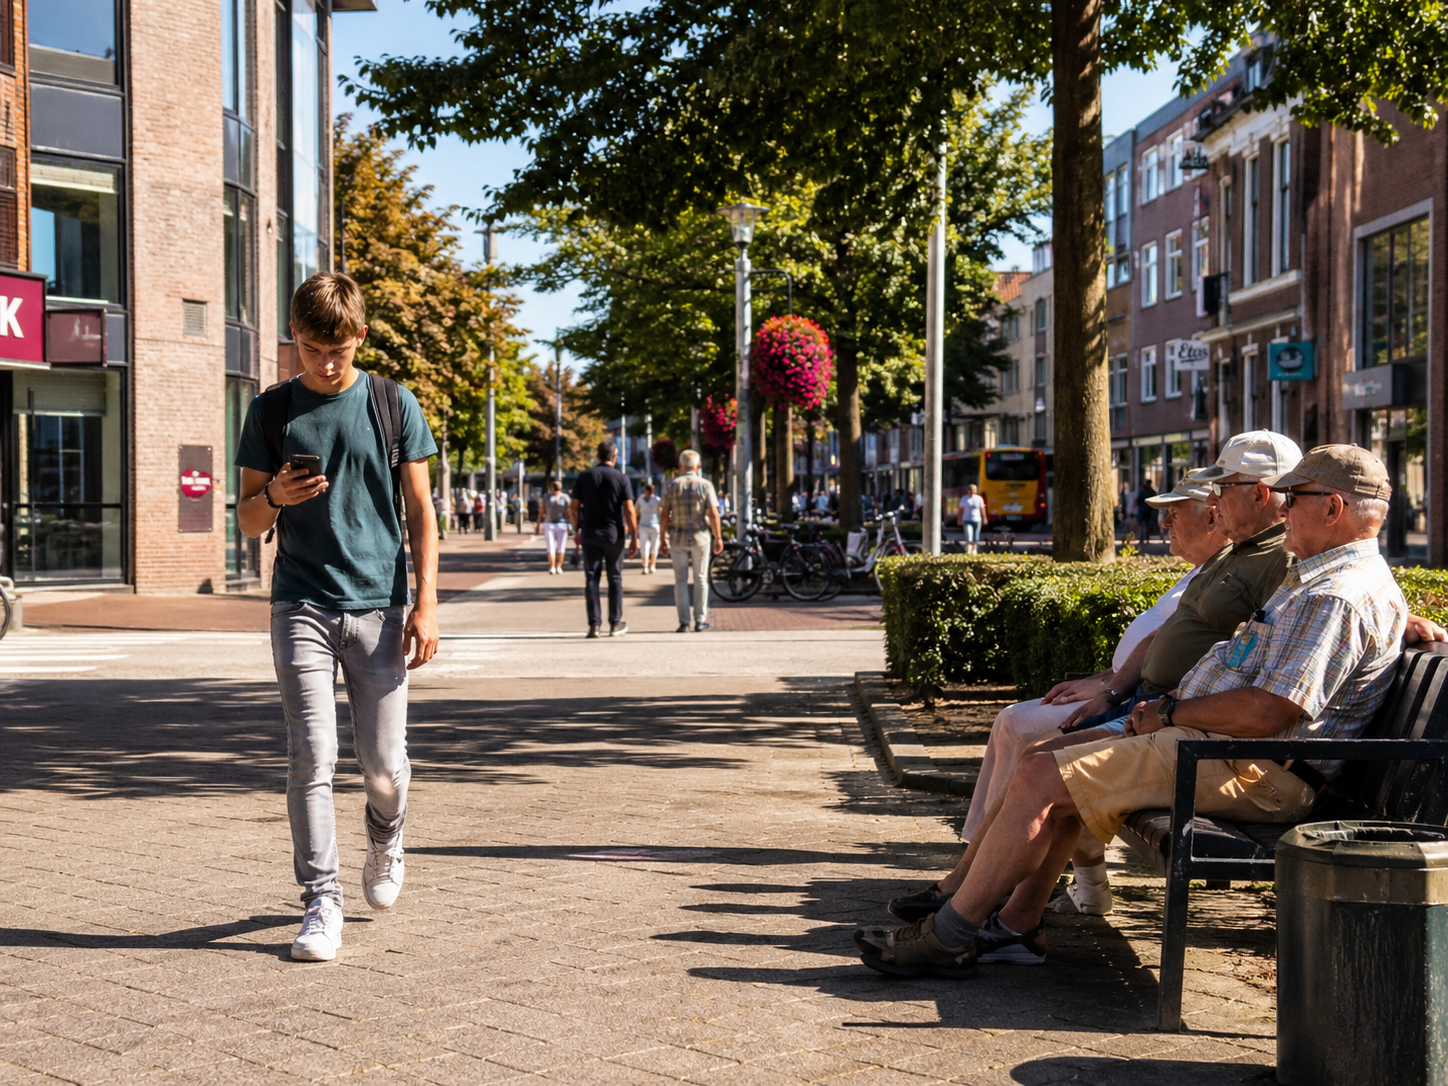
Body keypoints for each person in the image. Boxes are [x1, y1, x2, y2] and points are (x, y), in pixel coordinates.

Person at [854, 444, 1410, 978]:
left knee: (1045, 774)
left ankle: (946, 937)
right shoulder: (1322, 579)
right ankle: (1015, 924)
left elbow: (1267, 713)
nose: (1285, 509)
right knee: (1044, 759)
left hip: (1255, 769)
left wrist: (1168, 711)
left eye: (1295, 498)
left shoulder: (1335, 593)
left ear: (1333, 508)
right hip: (1227, 751)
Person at [235, 272, 439, 962]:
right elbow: (246, 519)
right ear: (293, 337)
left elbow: (420, 510)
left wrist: (427, 601)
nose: (325, 365)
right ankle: (322, 902)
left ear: (360, 337)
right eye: (312, 349)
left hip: (380, 607)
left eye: (339, 351)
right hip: (301, 603)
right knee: (312, 755)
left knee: (384, 767)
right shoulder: (269, 413)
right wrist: (277, 494)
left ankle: (386, 836)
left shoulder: (391, 402)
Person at [571, 440, 638, 637]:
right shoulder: (621, 477)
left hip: (590, 534)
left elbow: (573, 508)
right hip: (613, 535)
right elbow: (629, 509)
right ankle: (615, 623)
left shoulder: (584, 476)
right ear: (614, 457)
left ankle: (594, 625)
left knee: (592, 578)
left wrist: (577, 530)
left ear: (597, 457)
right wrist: (634, 536)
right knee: (615, 577)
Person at [660, 450, 724, 633]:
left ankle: (684, 622)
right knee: (701, 579)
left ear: (680, 466)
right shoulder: (706, 485)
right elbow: (713, 513)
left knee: (680, 580)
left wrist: (663, 539)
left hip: (677, 537)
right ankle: (700, 619)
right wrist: (718, 536)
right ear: (699, 466)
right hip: (701, 536)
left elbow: (664, 514)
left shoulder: (670, 485)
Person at [537, 479, 573, 575]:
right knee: (551, 547)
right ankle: (553, 566)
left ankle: (558, 566)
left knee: (560, 547)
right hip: (549, 524)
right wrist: (538, 524)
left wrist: (571, 524)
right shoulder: (547, 497)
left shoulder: (564, 497)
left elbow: (568, 512)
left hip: (561, 524)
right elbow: (542, 511)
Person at [637, 482, 663, 574]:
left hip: (654, 525)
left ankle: (652, 565)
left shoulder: (657, 500)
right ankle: (645, 566)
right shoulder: (641, 499)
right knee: (644, 546)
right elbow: (637, 511)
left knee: (654, 546)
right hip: (643, 525)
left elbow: (661, 513)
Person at [958, 484, 986, 554]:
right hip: (967, 520)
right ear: (968, 490)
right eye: (971, 490)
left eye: (974, 490)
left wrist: (984, 518)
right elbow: (960, 510)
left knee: (976, 535)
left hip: (977, 520)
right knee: (969, 534)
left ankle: (975, 549)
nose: (973, 491)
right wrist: (959, 519)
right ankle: (969, 549)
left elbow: (982, 509)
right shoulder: (964, 499)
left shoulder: (979, 498)